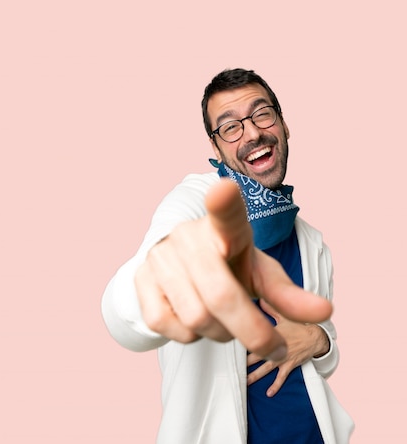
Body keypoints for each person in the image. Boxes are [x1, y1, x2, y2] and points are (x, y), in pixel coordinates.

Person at [101, 68, 354, 443]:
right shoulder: (195, 204)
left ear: (284, 125)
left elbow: (326, 355)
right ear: (216, 148)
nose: (252, 133)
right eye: (230, 127)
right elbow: (129, 308)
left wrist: (319, 339)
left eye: (261, 114)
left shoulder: (310, 240)